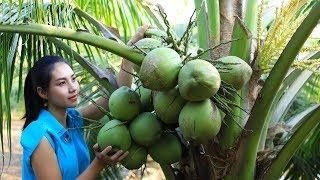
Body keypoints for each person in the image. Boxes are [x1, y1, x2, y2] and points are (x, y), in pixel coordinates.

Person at [20, 25, 149, 180]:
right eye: (62, 83)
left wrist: (129, 51)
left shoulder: (73, 119)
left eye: (73, 79)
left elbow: (120, 95)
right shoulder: (39, 134)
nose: (73, 88)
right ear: (42, 92)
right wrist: (98, 165)